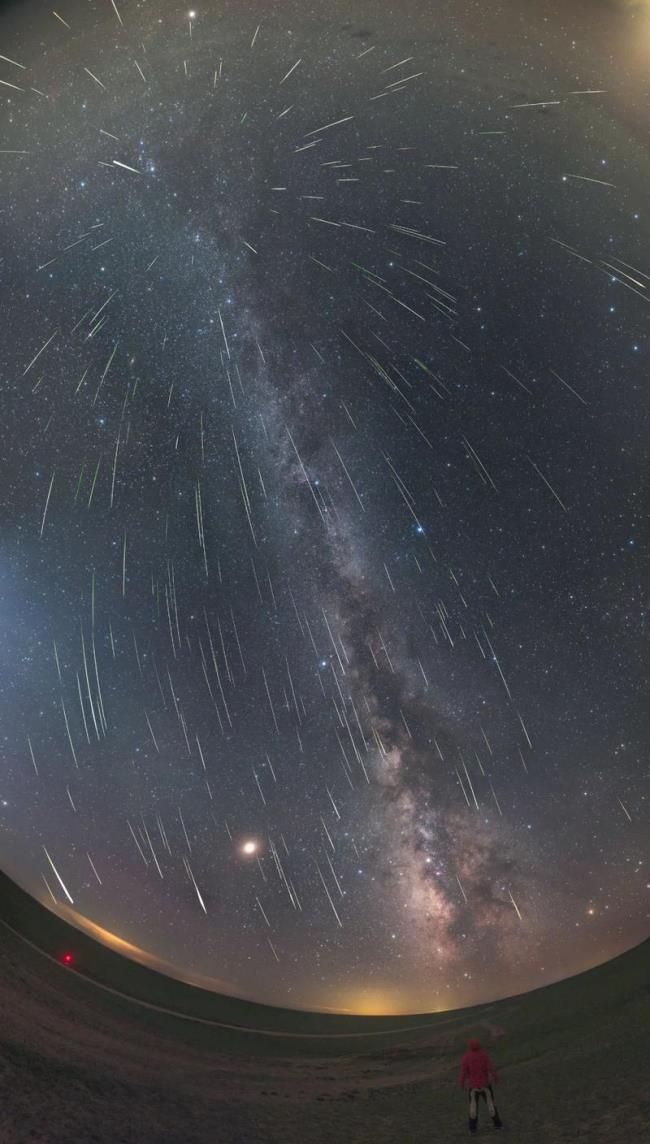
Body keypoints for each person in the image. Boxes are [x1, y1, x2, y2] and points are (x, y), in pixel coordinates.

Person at [458, 1037, 503, 1133]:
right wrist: (496, 1078)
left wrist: (461, 1083)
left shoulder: (466, 1057)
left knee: (473, 1108)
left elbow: (463, 1072)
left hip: (473, 1087)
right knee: (491, 1106)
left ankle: (472, 1128)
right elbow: (490, 1068)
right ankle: (498, 1125)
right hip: (485, 1085)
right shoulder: (483, 1055)